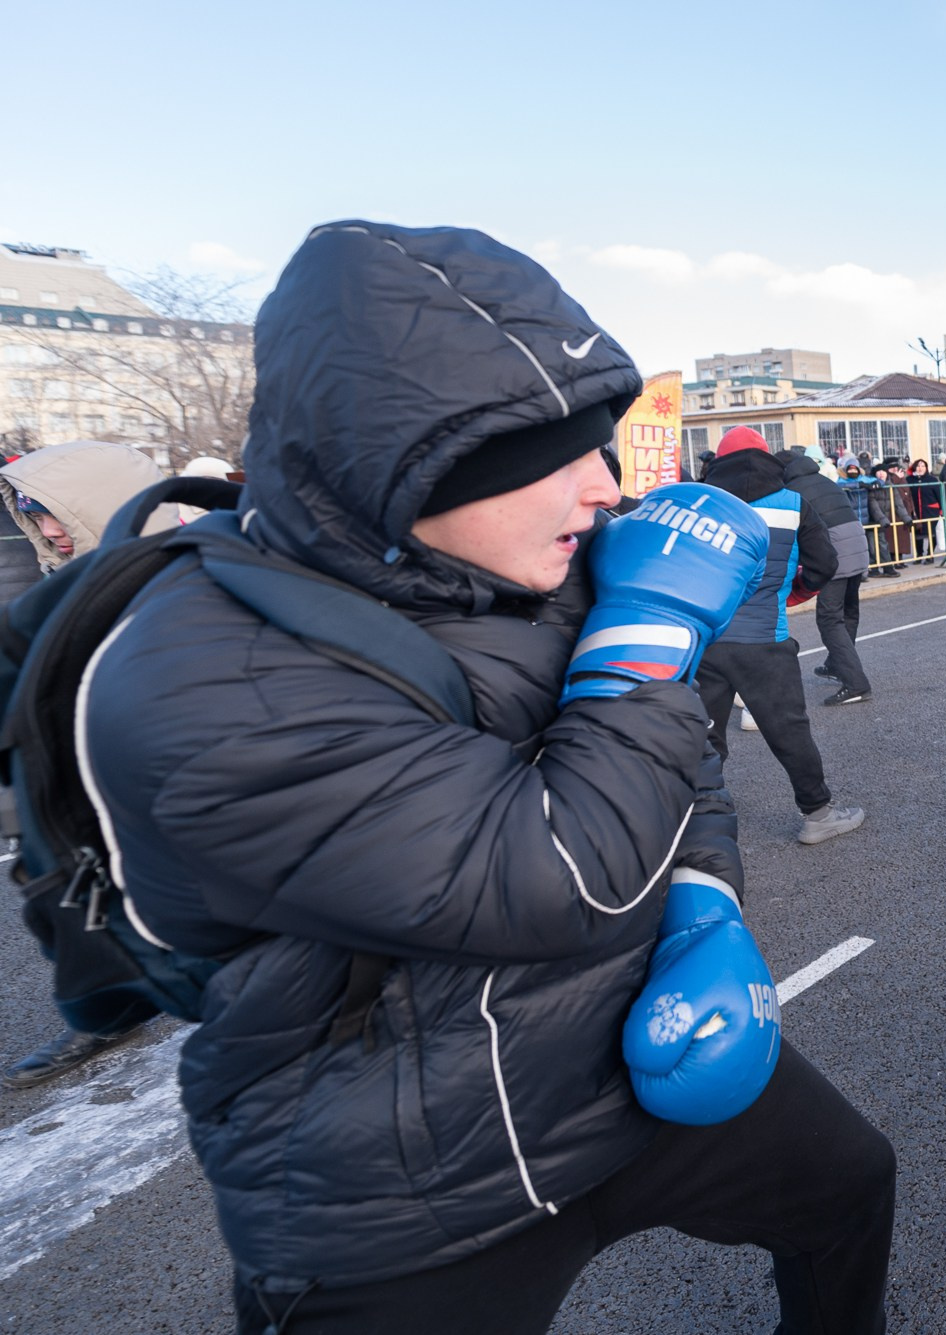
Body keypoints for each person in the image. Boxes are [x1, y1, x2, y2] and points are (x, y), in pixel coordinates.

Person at [76, 222, 895, 1333]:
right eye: (540, 462)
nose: (602, 491)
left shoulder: (532, 565)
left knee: (848, 1186)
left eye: (598, 446)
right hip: (404, 1180)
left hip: (621, 1056)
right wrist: (649, 633)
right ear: (394, 471)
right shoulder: (197, 677)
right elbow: (555, 877)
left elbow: (682, 761)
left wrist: (705, 904)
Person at [0, 439, 175, 1089]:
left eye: (56, 512)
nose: (47, 530)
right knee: (74, 909)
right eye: (30, 511)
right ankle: (110, 1006)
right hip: (85, 782)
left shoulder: (192, 568)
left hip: (175, 775)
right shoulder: (51, 586)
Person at [699, 430, 867, 838]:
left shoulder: (702, 501)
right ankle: (818, 816)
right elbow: (825, 563)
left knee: (702, 734)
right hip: (765, 639)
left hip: (706, 639)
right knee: (789, 730)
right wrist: (794, 593)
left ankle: (696, 815)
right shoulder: (794, 503)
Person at [784, 441, 874, 704]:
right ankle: (837, 665)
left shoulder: (791, 490)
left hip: (835, 551)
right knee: (849, 611)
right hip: (857, 543)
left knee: (829, 619)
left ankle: (856, 684)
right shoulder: (825, 480)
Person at [904, 456, 942, 561]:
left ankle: (930, 554)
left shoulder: (932, 479)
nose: (920, 468)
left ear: (926, 468)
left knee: (932, 533)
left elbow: (939, 496)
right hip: (915, 512)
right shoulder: (909, 480)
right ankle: (919, 555)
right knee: (917, 534)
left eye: (923, 466)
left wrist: (942, 510)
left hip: (931, 511)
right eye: (918, 466)